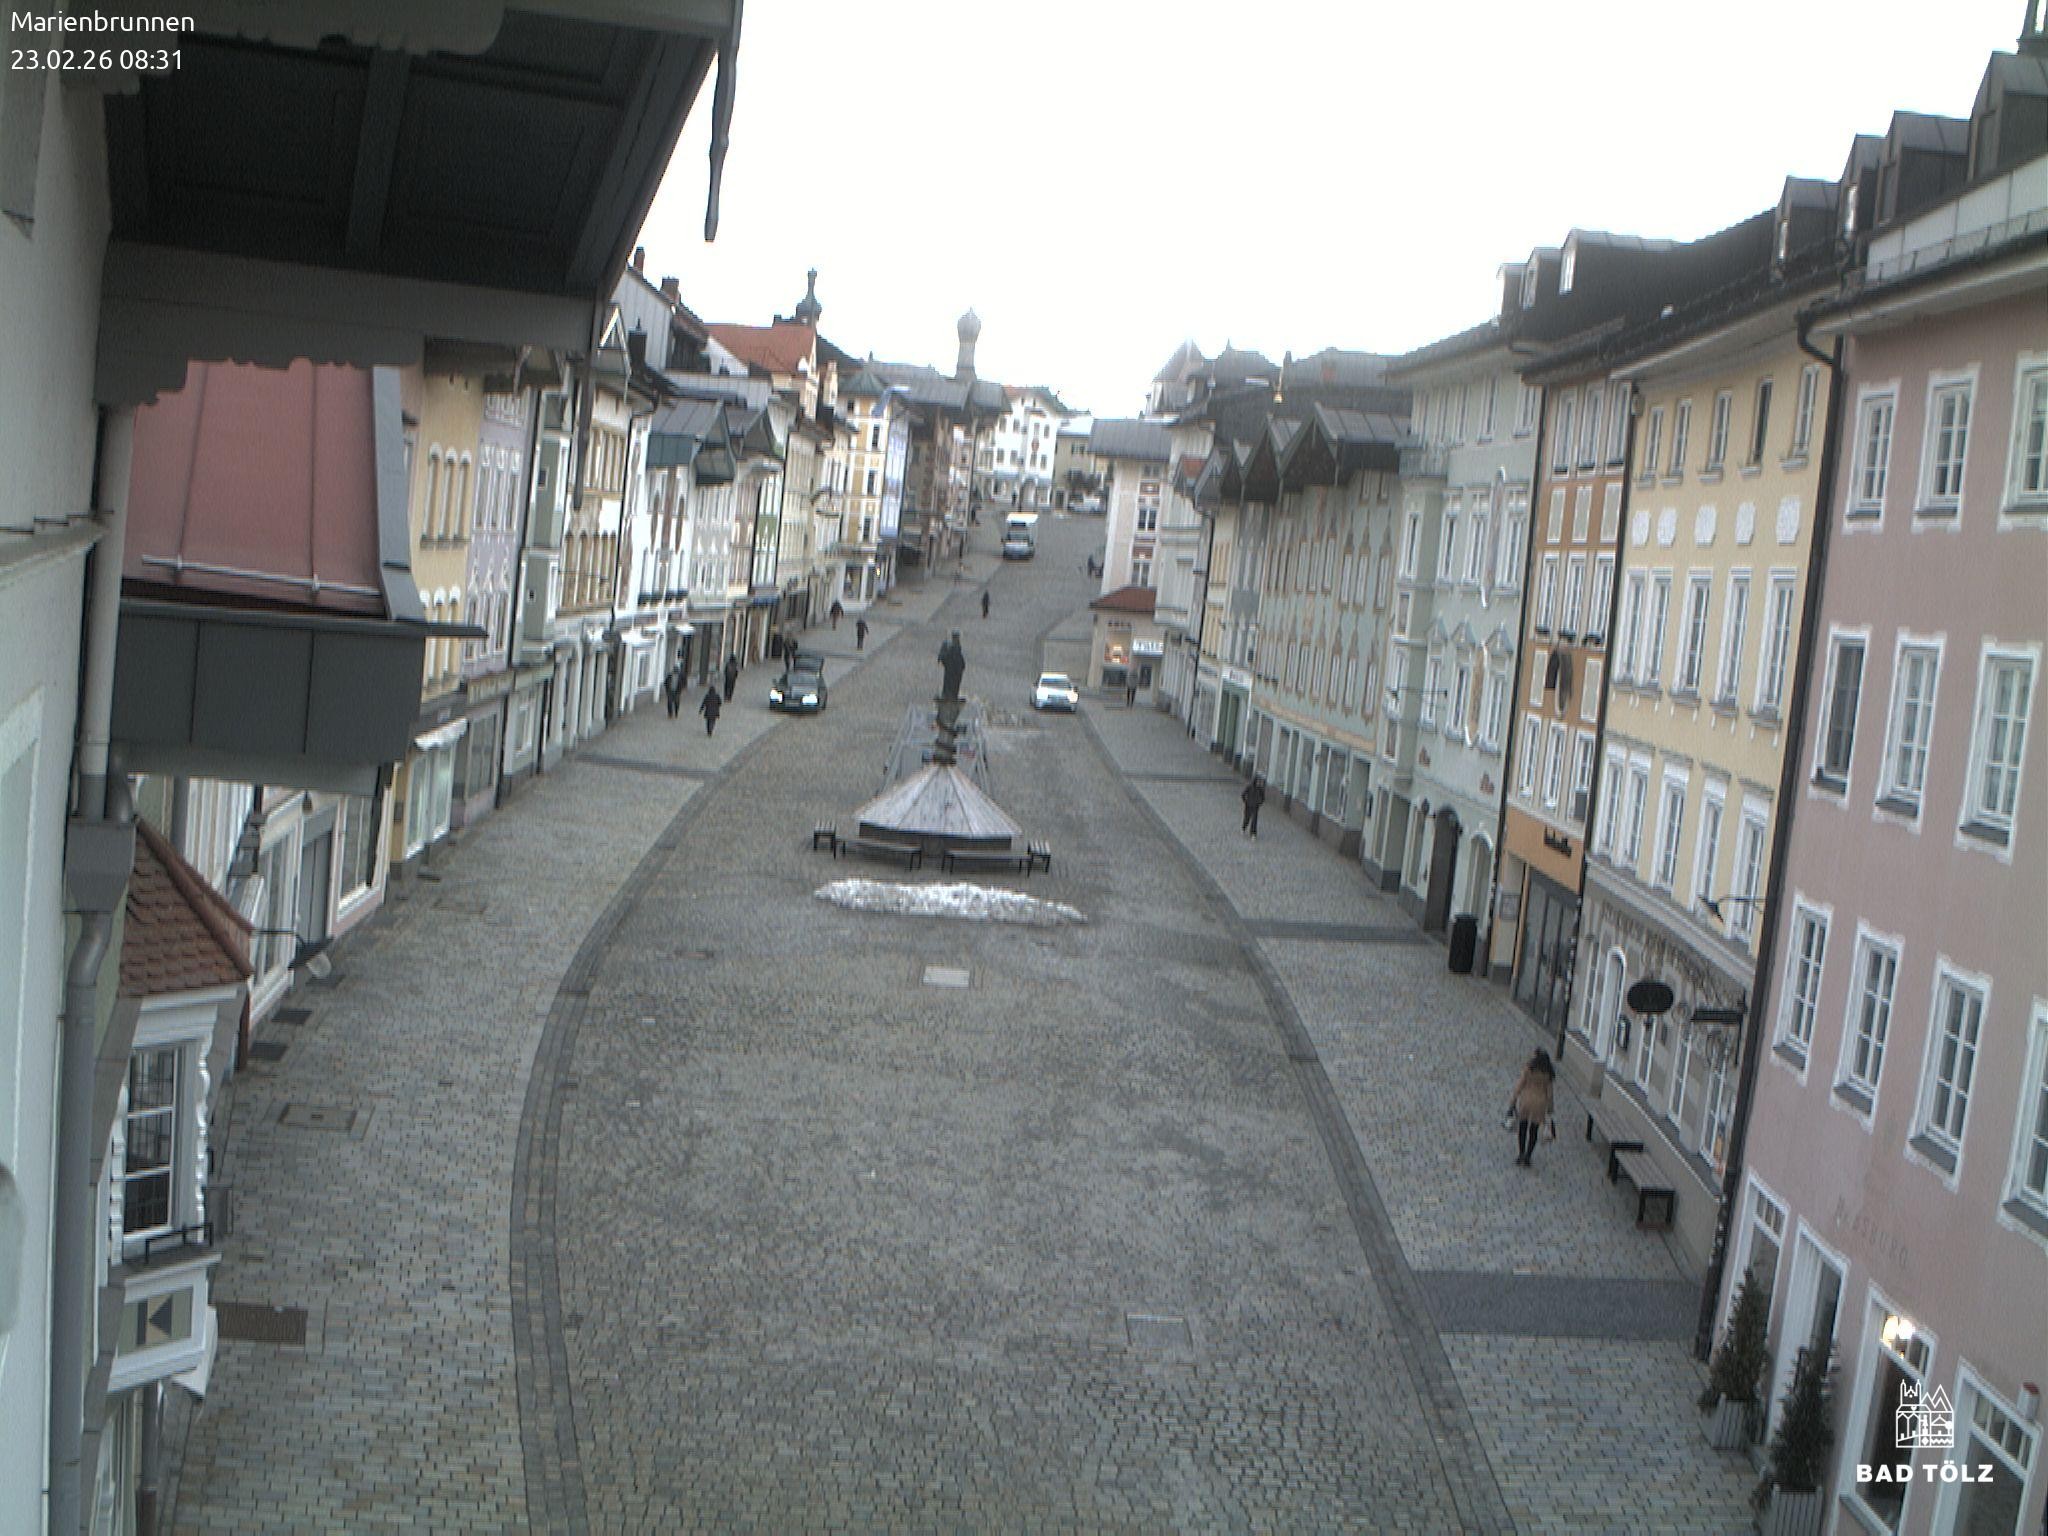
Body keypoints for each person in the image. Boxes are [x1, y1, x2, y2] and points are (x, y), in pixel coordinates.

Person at [1508, 1049, 1558, 1167]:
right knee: (1534, 1130)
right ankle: (1528, 1156)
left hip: (1526, 1101)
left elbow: (1519, 1085)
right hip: (1540, 1104)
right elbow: (1549, 1093)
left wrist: (1513, 1101)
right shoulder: (1548, 1074)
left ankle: (1521, 1153)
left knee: (1523, 1127)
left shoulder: (1529, 1070)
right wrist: (1550, 1108)